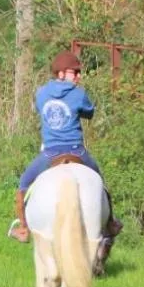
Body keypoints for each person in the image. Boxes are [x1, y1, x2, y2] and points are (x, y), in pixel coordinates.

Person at [9, 50, 123, 244]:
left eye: (79, 73)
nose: (78, 76)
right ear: (61, 73)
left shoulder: (42, 93)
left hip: (49, 153)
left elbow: (39, 109)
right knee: (100, 182)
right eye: (74, 72)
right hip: (76, 150)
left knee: (23, 185)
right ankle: (110, 223)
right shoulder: (79, 94)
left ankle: (23, 228)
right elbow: (89, 112)